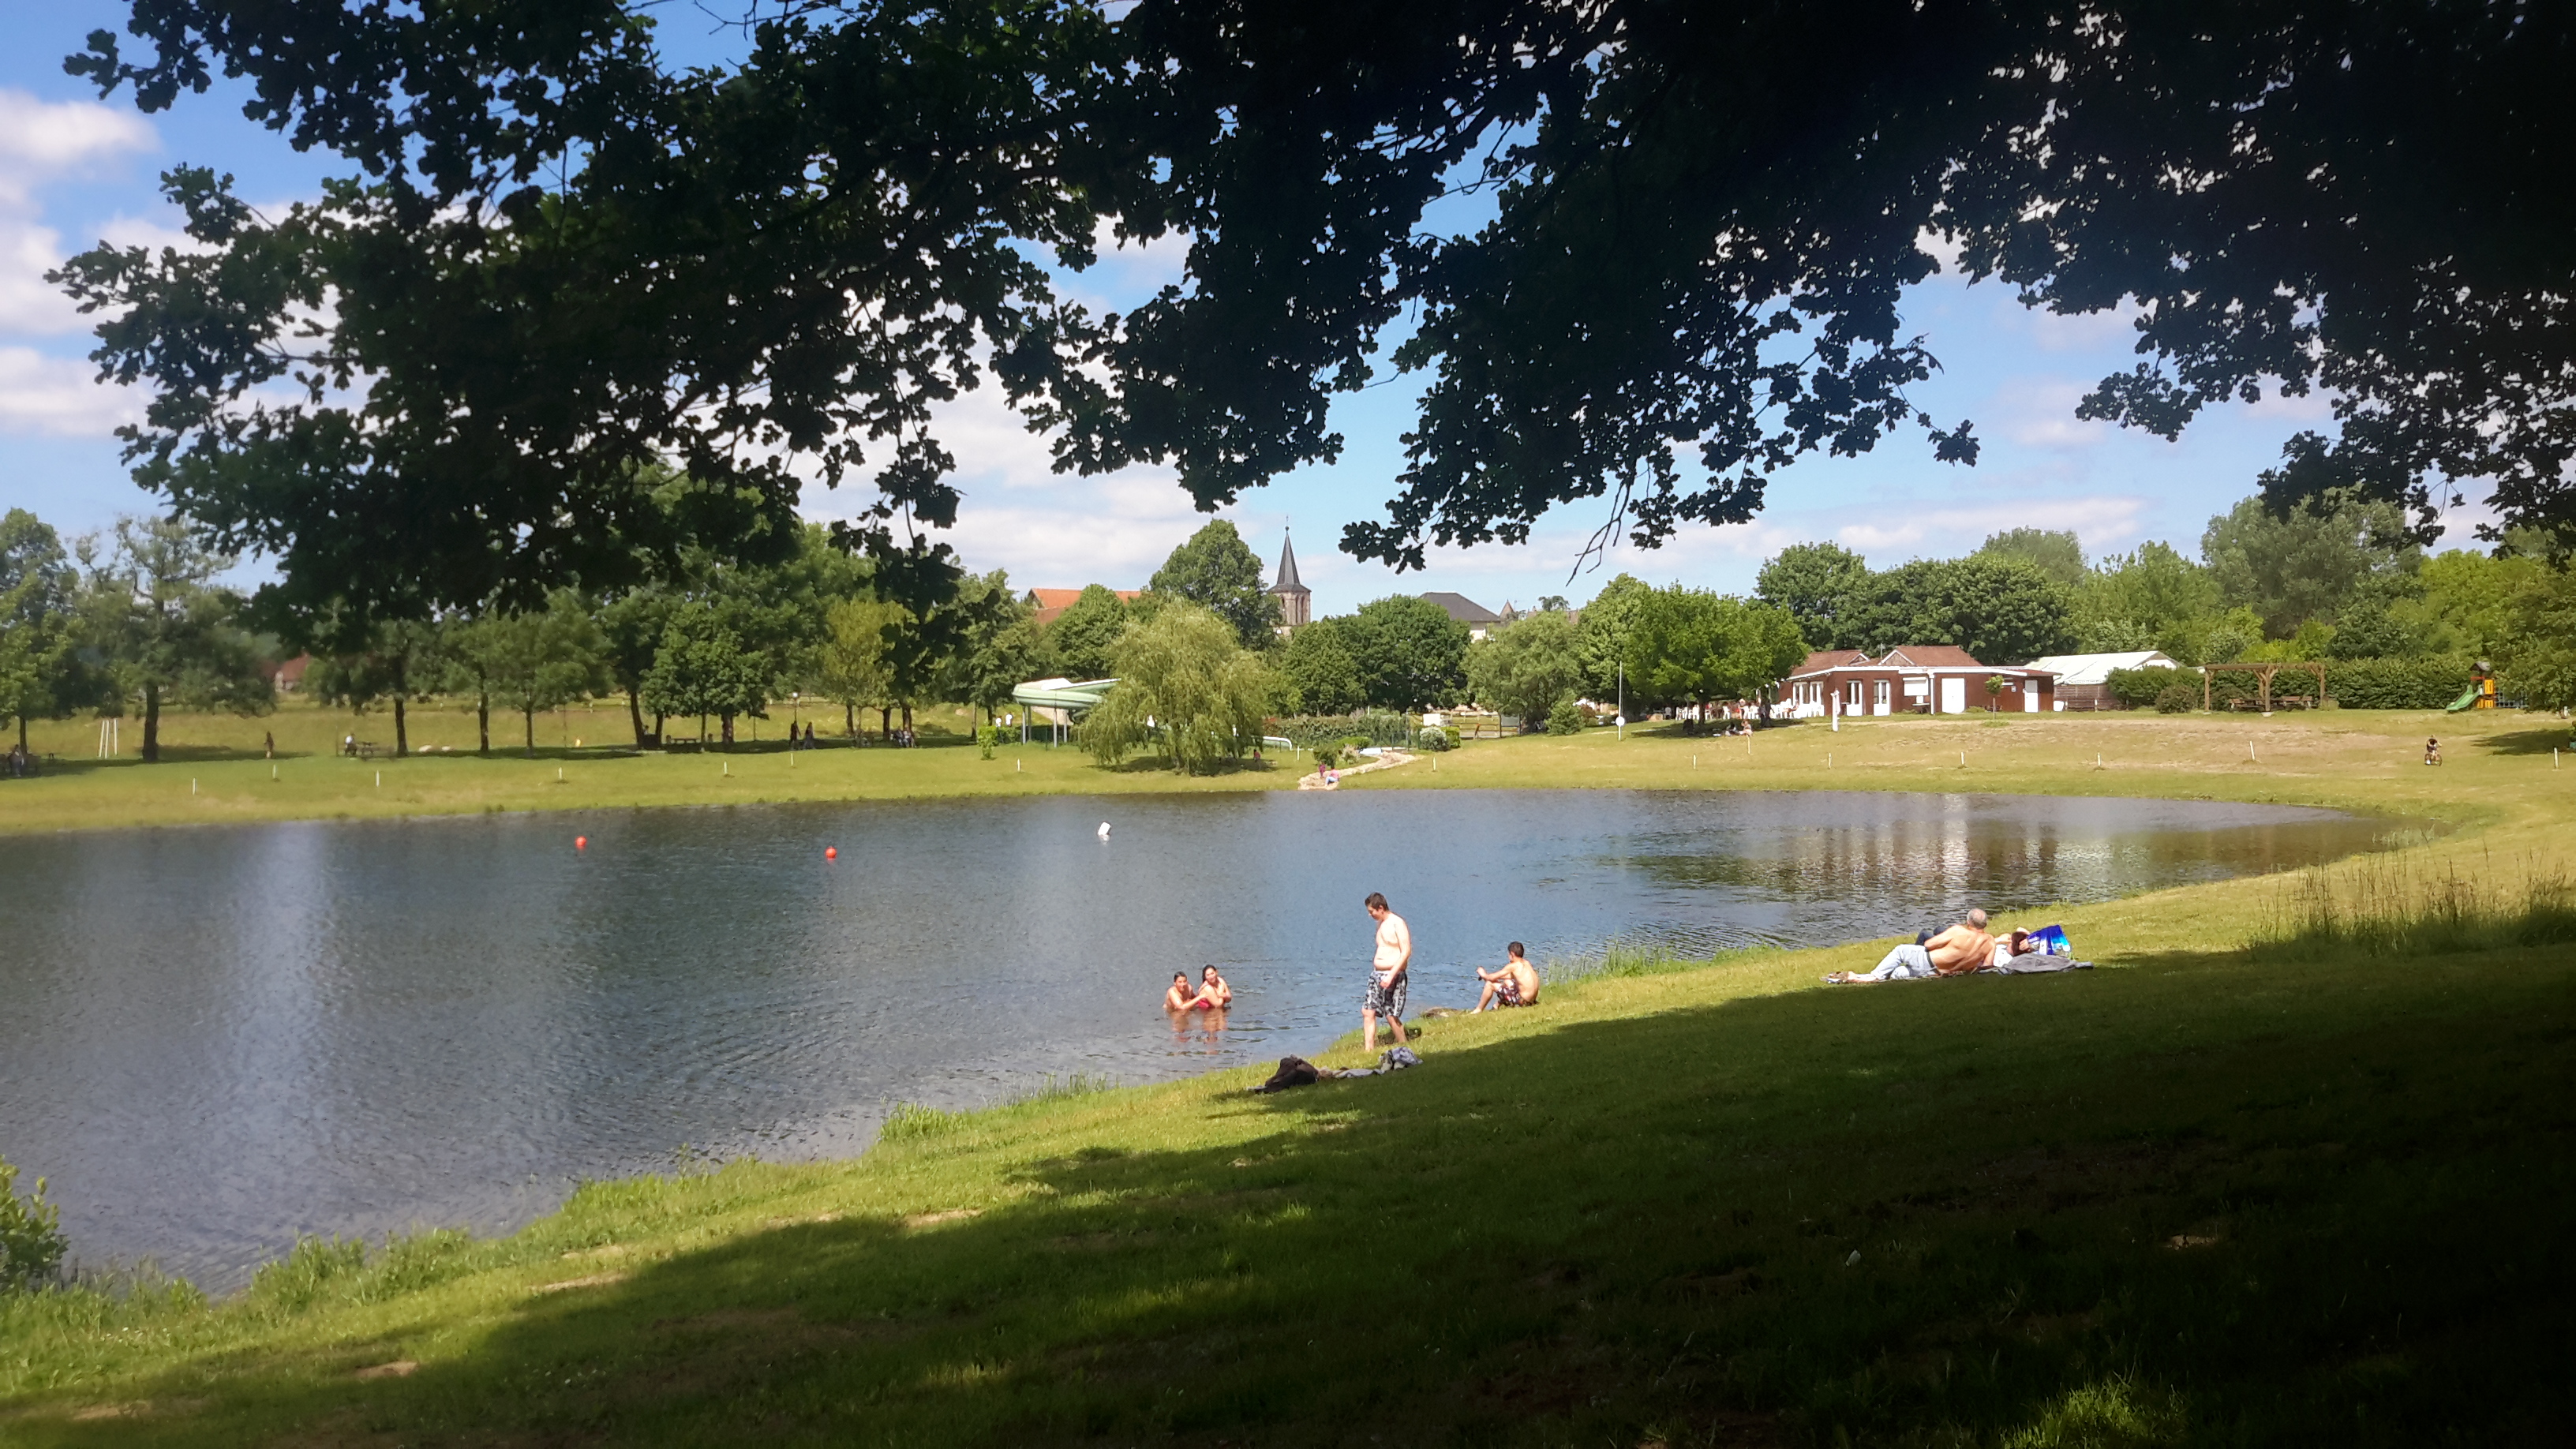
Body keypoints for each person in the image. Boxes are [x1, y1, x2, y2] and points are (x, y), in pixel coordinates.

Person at [1825, 908, 1997, 984]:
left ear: (1968, 921)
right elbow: (1987, 966)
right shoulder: (1990, 942)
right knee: (1895, 974)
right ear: (1985, 924)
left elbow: (1929, 944)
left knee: (1901, 950)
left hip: (1930, 962)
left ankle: (1872, 977)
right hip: (1940, 973)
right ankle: (1859, 978)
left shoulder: (1959, 931)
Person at [1362, 891, 1411, 1051]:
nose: (1370, 916)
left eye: (1372, 912)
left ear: (1381, 908)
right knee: (1368, 1011)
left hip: (1393, 974)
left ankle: (1404, 1046)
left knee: (1391, 1015)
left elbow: (1406, 952)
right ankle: (1368, 1050)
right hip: (1377, 975)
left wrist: (1391, 975)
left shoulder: (1398, 923)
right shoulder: (1380, 924)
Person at [1475, 942, 1541, 1011]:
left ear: (1512, 954)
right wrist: (1490, 976)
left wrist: (1483, 974)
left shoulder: (1513, 966)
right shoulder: (1526, 963)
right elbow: (1507, 977)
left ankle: (1478, 1010)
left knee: (1490, 984)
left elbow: (1492, 978)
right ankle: (1496, 1006)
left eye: (1509, 954)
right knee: (1507, 981)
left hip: (1522, 1003)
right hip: (1531, 1001)